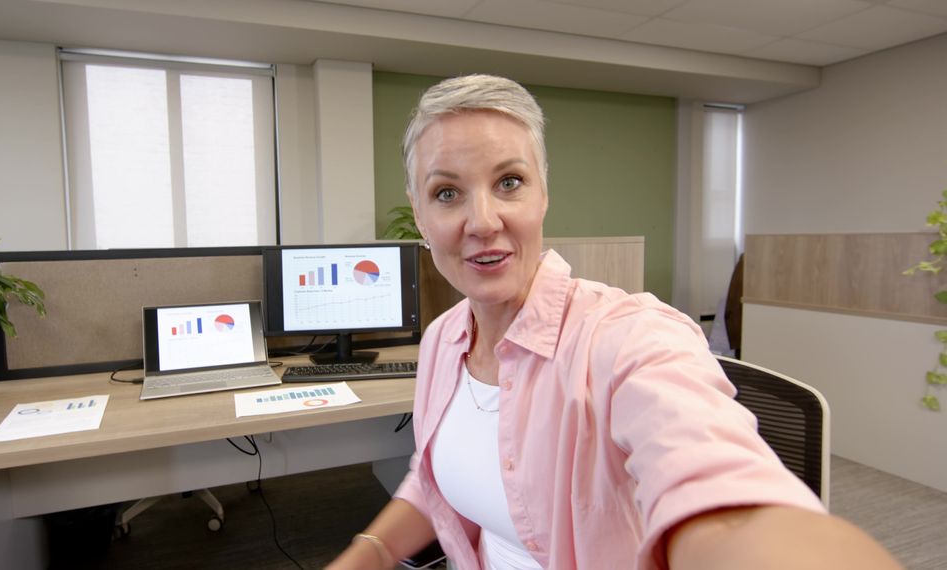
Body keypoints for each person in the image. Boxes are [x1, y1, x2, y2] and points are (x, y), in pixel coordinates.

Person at [328, 75, 900, 570]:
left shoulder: (629, 339)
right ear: (419, 211)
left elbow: (719, 497)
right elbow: (439, 477)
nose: (483, 221)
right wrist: (371, 551)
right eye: (447, 192)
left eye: (509, 182)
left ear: (543, 193)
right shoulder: (442, 339)